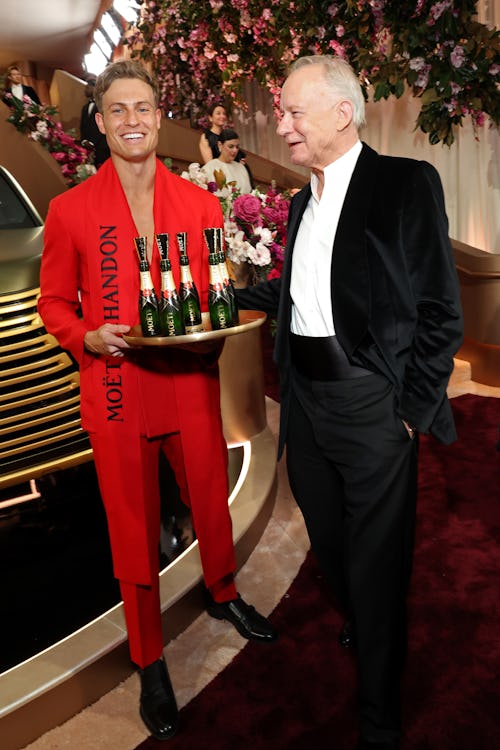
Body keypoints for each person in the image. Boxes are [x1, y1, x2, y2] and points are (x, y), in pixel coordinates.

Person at [38, 59, 277, 742]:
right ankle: (149, 658)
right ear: (101, 121)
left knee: (210, 498)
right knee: (132, 528)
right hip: (117, 391)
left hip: (188, 382)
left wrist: (213, 336)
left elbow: (212, 298)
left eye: (142, 107)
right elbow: (53, 303)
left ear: (159, 115)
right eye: (117, 109)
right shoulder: (69, 210)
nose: (132, 120)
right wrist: (85, 335)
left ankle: (223, 592)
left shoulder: (199, 205)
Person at [235, 55, 463, 749]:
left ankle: (379, 719)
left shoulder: (403, 184)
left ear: (342, 112)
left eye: (293, 112)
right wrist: (226, 294)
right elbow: (301, 290)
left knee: (378, 562)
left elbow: (439, 310)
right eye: (282, 113)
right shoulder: (301, 202)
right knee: (330, 541)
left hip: (373, 405)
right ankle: (361, 613)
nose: (282, 125)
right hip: (305, 405)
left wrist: (410, 410)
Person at [203, 128, 252, 194]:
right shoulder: (209, 167)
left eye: (237, 147)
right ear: (220, 145)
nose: (235, 150)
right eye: (231, 146)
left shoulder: (241, 168)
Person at [79, 75, 111, 168]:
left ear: (95, 88)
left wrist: (93, 143)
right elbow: (83, 126)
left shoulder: (105, 105)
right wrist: (84, 141)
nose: (85, 89)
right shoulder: (85, 108)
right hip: (87, 149)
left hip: (103, 148)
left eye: (88, 87)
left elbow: (105, 125)